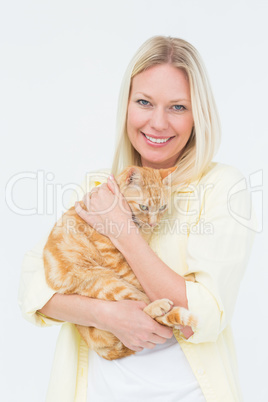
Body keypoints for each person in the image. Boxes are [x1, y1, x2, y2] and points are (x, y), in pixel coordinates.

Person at [18, 36, 256, 402]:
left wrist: (124, 232)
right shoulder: (100, 185)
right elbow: (33, 288)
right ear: (126, 106)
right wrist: (104, 314)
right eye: (144, 102)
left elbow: (203, 317)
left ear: (199, 115)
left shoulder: (222, 186)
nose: (157, 123)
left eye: (177, 107)